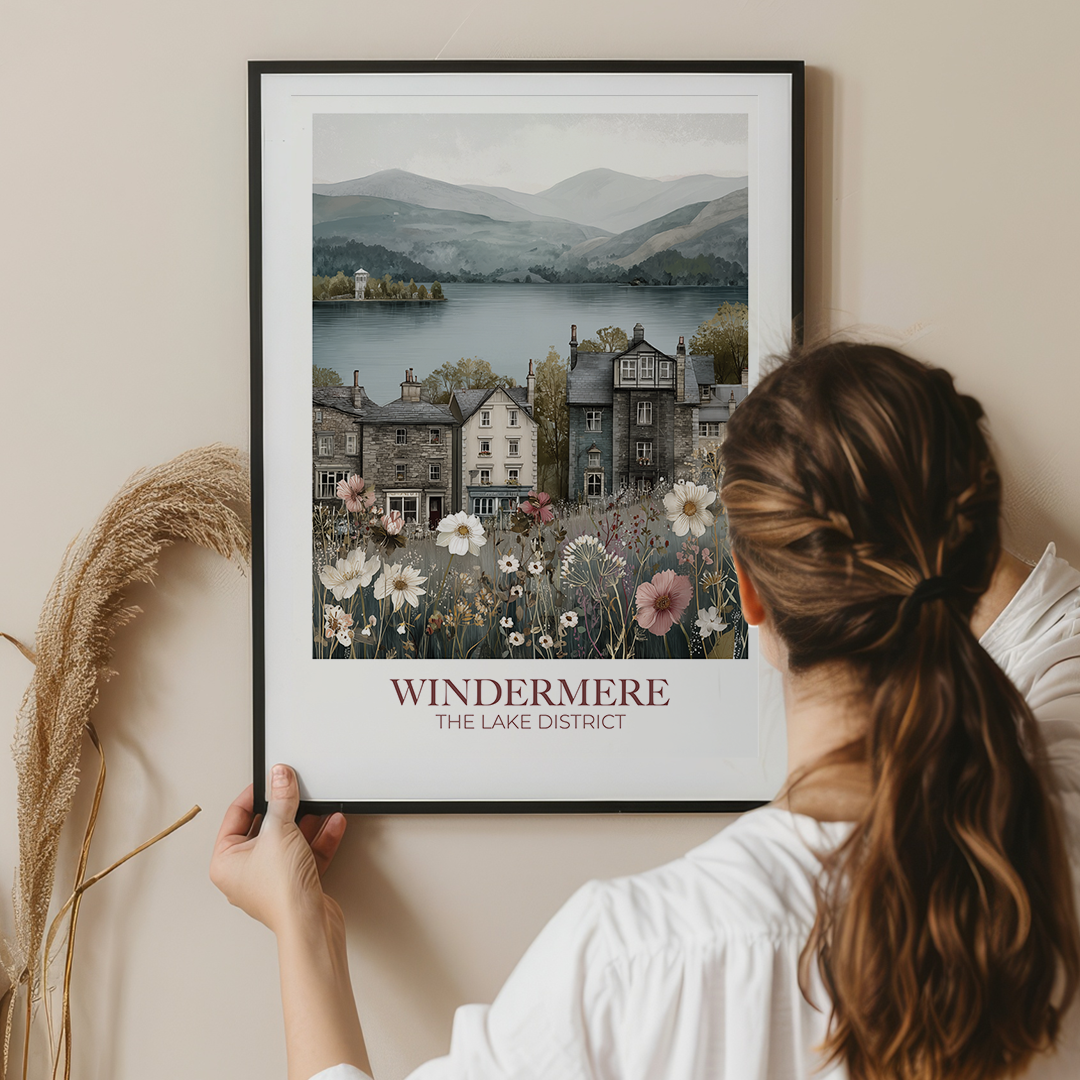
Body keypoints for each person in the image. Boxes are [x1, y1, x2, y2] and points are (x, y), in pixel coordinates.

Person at [211, 341, 1080, 1080]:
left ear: (746, 590)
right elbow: (1045, 610)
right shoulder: (1055, 822)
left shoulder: (642, 964)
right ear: (966, 552)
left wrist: (302, 924)